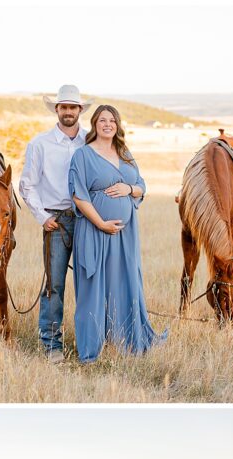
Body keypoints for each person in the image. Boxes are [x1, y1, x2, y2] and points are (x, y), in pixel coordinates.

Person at [69, 104, 168, 363]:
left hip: (126, 234)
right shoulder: (83, 155)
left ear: (117, 125)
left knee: (125, 281)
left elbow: (141, 186)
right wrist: (101, 223)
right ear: (94, 124)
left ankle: (126, 340)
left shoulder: (124, 153)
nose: (107, 124)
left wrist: (129, 188)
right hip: (95, 230)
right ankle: (91, 349)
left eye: (112, 120)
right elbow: (79, 196)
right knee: (94, 286)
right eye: (102, 120)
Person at [19, 85, 91, 364]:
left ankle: (89, 340)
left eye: (73, 107)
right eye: (64, 107)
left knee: (90, 283)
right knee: (55, 285)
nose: (69, 111)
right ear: (57, 110)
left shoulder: (90, 141)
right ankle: (51, 344)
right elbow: (27, 185)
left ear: (80, 110)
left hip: (87, 220)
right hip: (56, 221)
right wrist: (42, 216)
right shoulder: (40, 144)